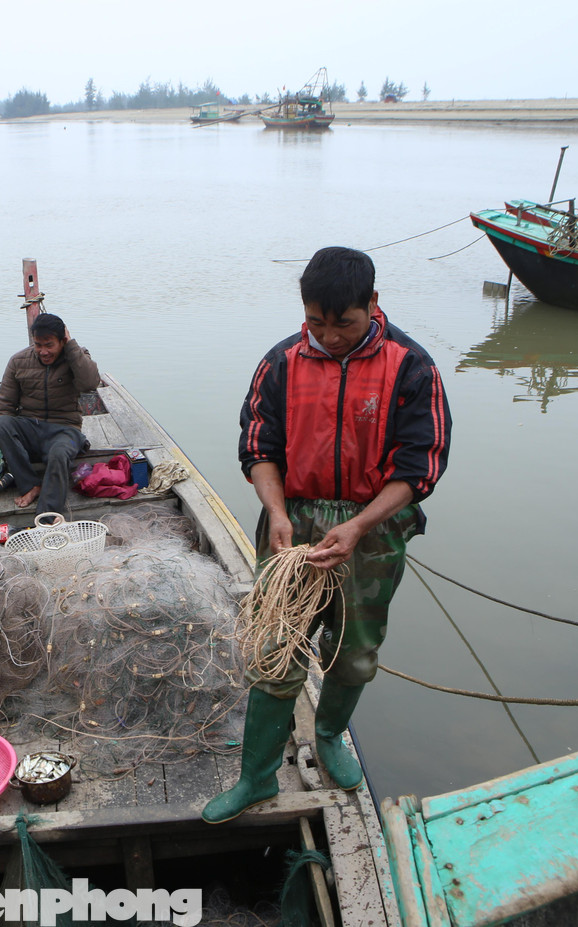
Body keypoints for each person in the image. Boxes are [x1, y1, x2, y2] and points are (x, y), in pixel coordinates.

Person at [203, 246, 451, 824]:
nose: (330, 336)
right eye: (317, 322)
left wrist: (360, 524)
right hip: (294, 524)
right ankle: (257, 777)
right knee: (275, 649)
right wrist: (277, 509)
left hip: (373, 530)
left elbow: (420, 468)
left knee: (355, 651)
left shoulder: (412, 366)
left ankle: (332, 735)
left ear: (373, 305)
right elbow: (258, 449)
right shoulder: (282, 362)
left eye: (345, 323)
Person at [0, 312, 101, 515]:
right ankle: (30, 485)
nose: (43, 351)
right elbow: (5, 406)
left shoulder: (76, 356)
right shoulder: (18, 361)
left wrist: (72, 347)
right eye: (38, 345)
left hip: (65, 430)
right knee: (1, 424)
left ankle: (47, 518)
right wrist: (11, 447)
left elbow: (90, 383)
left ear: (62, 341)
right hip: (30, 427)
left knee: (58, 454)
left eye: (49, 345)